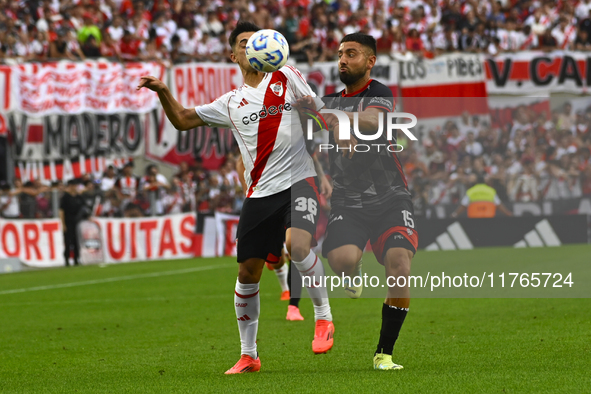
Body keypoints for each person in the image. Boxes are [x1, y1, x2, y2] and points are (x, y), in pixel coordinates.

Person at [138, 21, 334, 375]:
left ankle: (323, 319)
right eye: (244, 43)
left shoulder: (286, 76)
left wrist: (313, 109)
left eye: (257, 41)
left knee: (299, 245)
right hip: (259, 193)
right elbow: (182, 120)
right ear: (233, 55)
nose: (251, 47)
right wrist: (164, 91)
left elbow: (319, 116)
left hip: (299, 182)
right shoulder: (230, 103)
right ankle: (249, 355)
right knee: (247, 274)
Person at [304, 33, 418, 371]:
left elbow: (371, 120)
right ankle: (352, 267)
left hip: (390, 197)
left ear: (369, 61)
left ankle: (384, 353)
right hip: (347, 202)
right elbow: (305, 134)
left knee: (399, 267)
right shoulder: (327, 101)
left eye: (351, 54)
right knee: (340, 261)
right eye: (339, 54)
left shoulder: (379, 94)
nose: (342, 59)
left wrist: (336, 117)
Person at [59, 179, 86, 266]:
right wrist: (63, 224)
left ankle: (76, 258)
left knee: (76, 241)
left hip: (77, 222)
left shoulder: (79, 197)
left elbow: (83, 208)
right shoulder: (65, 197)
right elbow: (61, 211)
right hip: (68, 221)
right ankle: (67, 259)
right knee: (68, 241)